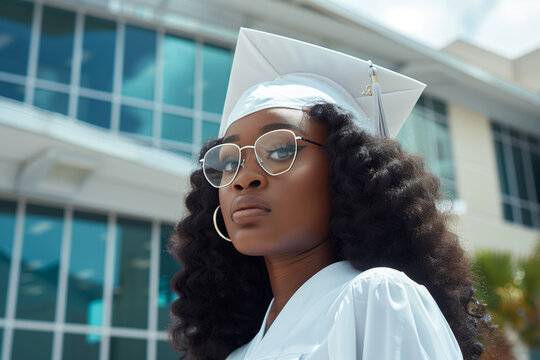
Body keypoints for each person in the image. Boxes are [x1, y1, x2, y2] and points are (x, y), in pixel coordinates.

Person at [168, 28, 487, 359]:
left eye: (279, 151)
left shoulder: (377, 297)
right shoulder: (239, 354)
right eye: (230, 161)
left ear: (347, 173)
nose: (243, 178)